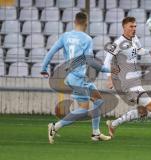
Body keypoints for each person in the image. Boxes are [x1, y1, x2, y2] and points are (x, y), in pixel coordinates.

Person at [41, 12, 113, 144]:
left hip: (76, 77)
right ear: (86, 23)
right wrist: (109, 70)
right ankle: (55, 127)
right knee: (83, 108)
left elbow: (51, 52)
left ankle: (96, 133)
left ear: (74, 22)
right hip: (78, 79)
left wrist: (43, 68)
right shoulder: (87, 39)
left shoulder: (65, 36)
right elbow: (91, 62)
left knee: (98, 100)